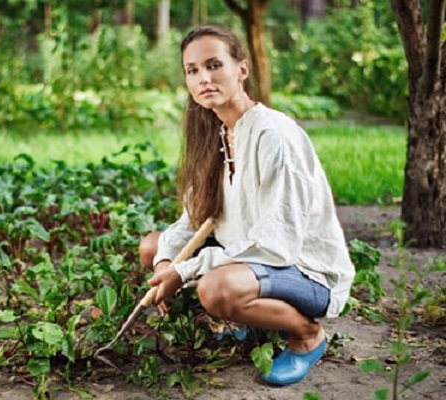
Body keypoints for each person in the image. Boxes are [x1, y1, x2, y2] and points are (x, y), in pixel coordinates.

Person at [139, 25, 355, 386]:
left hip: (302, 269)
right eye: (192, 70)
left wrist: (187, 270)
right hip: (254, 261)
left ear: (242, 70)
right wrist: (167, 262)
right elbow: (191, 220)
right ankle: (255, 325)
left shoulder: (274, 135)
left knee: (214, 289)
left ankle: (306, 336)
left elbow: (277, 244)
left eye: (213, 65)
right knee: (153, 246)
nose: (203, 78)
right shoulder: (217, 133)